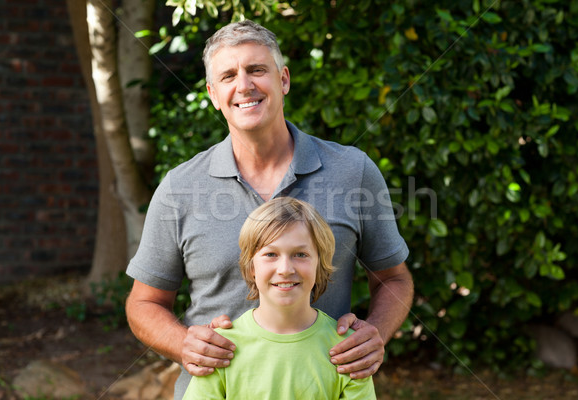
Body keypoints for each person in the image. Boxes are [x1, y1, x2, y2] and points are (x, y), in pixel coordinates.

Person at [125, 20, 413, 400]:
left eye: (257, 70)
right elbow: (144, 303)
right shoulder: (180, 188)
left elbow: (394, 278)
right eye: (228, 75)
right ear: (213, 94)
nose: (244, 86)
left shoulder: (352, 171)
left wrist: (375, 331)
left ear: (284, 80)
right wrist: (183, 344)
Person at [183, 197, 377, 399]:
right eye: (271, 254)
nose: (285, 269)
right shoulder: (220, 348)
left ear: (319, 265)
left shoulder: (348, 352)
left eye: (300, 254)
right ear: (251, 268)